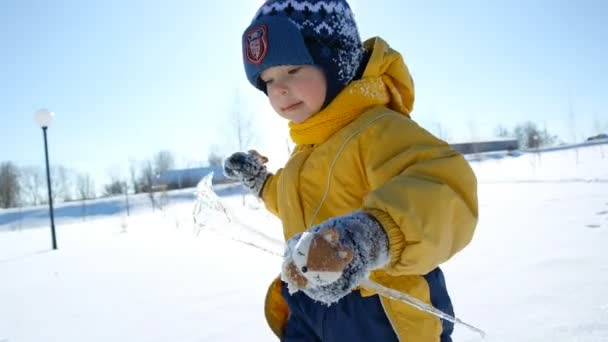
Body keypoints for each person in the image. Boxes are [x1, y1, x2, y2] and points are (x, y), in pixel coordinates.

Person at [224, 1, 478, 341]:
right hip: (307, 305)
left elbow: (445, 190)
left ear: (335, 61)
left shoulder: (378, 130)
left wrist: (367, 238)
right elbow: (289, 198)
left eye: (293, 70)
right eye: (267, 80)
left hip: (378, 311)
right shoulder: (306, 152)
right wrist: (259, 181)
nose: (278, 89)